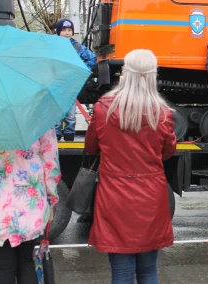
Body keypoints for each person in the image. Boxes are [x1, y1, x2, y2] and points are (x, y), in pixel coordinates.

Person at [85, 49, 176, 284]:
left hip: (114, 194)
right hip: (150, 195)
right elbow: (167, 152)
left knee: (121, 274)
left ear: (125, 73)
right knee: (148, 271)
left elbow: (92, 147)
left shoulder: (104, 107)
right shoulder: (162, 113)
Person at [0, 129, 61, 284]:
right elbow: (50, 163)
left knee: (2, 265)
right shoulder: (42, 113)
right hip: (29, 200)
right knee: (25, 261)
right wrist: (51, 199)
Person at [55, 18, 97, 141]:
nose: (67, 32)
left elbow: (92, 59)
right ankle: (56, 132)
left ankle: (69, 133)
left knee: (70, 111)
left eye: (69, 30)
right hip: (56, 83)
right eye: (63, 30)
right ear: (58, 32)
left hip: (71, 84)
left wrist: (82, 70)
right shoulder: (53, 46)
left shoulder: (78, 47)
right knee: (56, 109)